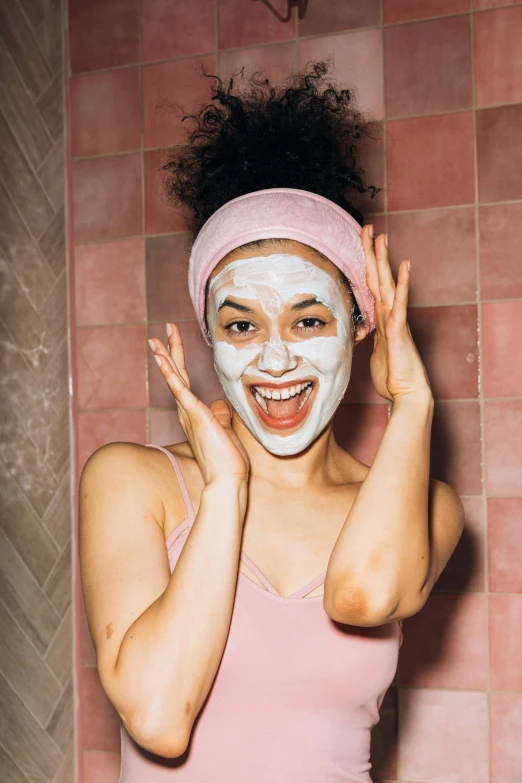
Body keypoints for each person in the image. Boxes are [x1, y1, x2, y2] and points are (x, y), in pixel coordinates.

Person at [79, 60, 464, 782]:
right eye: (242, 324)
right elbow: (159, 716)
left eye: (308, 317)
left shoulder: (425, 507)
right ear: (208, 336)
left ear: (359, 325)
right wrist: (224, 490)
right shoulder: (134, 480)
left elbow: (363, 594)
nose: (277, 357)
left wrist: (413, 402)